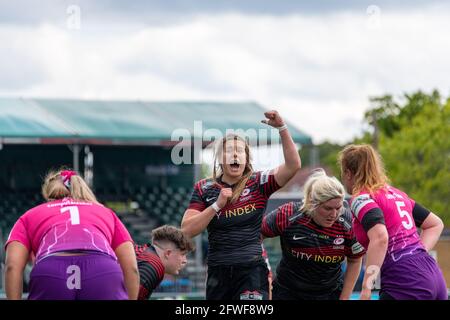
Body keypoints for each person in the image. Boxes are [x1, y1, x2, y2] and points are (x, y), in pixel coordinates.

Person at [181, 110, 301, 300]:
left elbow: (293, 165)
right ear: (220, 159)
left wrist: (282, 128)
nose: (234, 154)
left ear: (246, 159)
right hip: (218, 272)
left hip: (251, 270)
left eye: (239, 151)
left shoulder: (259, 182)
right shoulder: (205, 188)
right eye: (229, 150)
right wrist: (216, 206)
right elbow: (187, 230)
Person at [4, 169, 139, 300]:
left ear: (48, 192)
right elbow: (132, 268)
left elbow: (12, 266)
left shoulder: (29, 215)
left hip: (51, 270)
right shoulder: (107, 213)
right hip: (101, 269)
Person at [339, 144, 447, 300]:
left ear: (348, 173)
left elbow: (380, 238)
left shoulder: (361, 198)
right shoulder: (397, 194)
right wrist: (414, 253)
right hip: (433, 275)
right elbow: (435, 224)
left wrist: (366, 288)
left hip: (405, 282)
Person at [262, 169, 365, 300]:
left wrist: (344, 298)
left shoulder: (348, 222)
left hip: (329, 293)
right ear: (312, 203)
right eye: (328, 208)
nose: (334, 215)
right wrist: (263, 273)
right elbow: (255, 236)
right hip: (288, 292)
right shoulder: (288, 214)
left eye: (338, 208)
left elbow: (355, 260)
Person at [134, 225, 195, 300]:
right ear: (168, 253)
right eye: (182, 254)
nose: (185, 261)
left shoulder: (146, 254)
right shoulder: (153, 266)